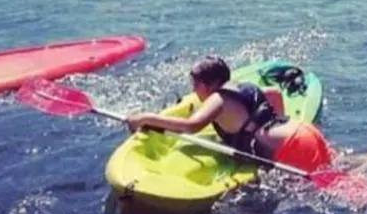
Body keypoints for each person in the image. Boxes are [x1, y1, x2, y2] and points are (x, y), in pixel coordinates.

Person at [127, 56, 334, 174]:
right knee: (335, 167)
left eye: (195, 85)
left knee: (332, 187)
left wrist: (145, 118)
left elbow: (191, 126)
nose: (194, 90)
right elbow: (275, 94)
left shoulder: (218, 99)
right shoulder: (243, 86)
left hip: (293, 146)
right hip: (301, 130)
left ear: (208, 85)